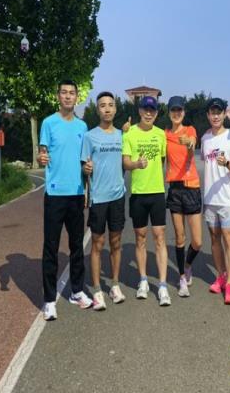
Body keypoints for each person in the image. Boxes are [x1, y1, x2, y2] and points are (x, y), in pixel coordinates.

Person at [37, 80, 92, 321]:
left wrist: (87, 176)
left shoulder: (83, 126)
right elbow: (42, 153)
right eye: (64, 93)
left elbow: (84, 161)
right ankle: (49, 300)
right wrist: (40, 158)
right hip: (54, 194)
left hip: (77, 194)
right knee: (50, 247)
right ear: (58, 96)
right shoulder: (48, 123)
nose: (68, 96)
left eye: (72, 93)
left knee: (77, 246)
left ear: (77, 97)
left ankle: (76, 292)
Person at [122, 96, 171, 306]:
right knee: (140, 238)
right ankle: (143, 280)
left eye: (152, 110)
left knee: (159, 237)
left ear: (156, 113)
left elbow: (161, 161)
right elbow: (125, 163)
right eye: (145, 109)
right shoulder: (129, 133)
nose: (149, 113)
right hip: (138, 194)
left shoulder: (161, 134)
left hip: (157, 192)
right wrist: (137, 164)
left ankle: (162, 285)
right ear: (140, 111)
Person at [81, 91, 127, 311]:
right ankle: (97, 289)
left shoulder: (122, 135)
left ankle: (115, 285)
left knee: (116, 242)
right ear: (97, 110)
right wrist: (86, 168)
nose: (107, 109)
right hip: (98, 198)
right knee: (97, 244)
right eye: (102, 105)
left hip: (118, 196)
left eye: (110, 105)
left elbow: (127, 161)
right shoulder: (89, 137)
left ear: (115, 109)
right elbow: (84, 165)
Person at [201, 98, 230, 305]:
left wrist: (226, 162)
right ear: (208, 115)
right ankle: (220, 276)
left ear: (224, 114)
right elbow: (205, 163)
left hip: (227, 198)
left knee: (228, 238)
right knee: (214, 238)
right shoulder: (205, 138)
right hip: (210, 199)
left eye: (219, 112)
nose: (216, 116)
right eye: (212, 112)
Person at [165, 96, 203, 297]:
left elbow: (192, 143)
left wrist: (189, 143)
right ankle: (181, 278)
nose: (176, 113)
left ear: (184, 112)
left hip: (192, 187)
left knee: (197, 241)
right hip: (175, 189)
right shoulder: (164, 135)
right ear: (169, 113)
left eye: (179, 110)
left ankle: (188, 265)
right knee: (180, 237)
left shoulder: (190, 130)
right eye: (173, 110)